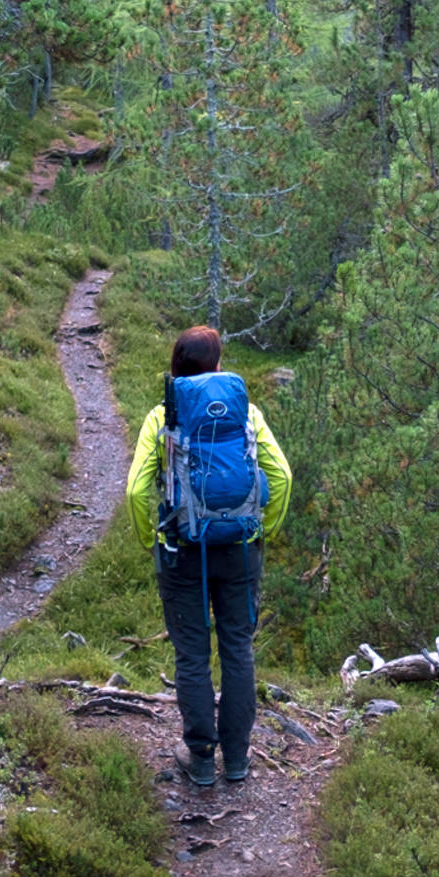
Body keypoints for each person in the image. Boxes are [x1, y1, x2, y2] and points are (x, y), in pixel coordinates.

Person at [126, 326, 292, 786]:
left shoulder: (162, 418)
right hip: (240, 550)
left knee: (193, 656)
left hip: (183, 552)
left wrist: (150, 539)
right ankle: (236, 761)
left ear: (177, 368)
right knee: (238, 649)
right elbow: (281, 476)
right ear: (217, 367)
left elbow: (138, 489)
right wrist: (263, 531)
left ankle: (200, 760)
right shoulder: (247, 414)